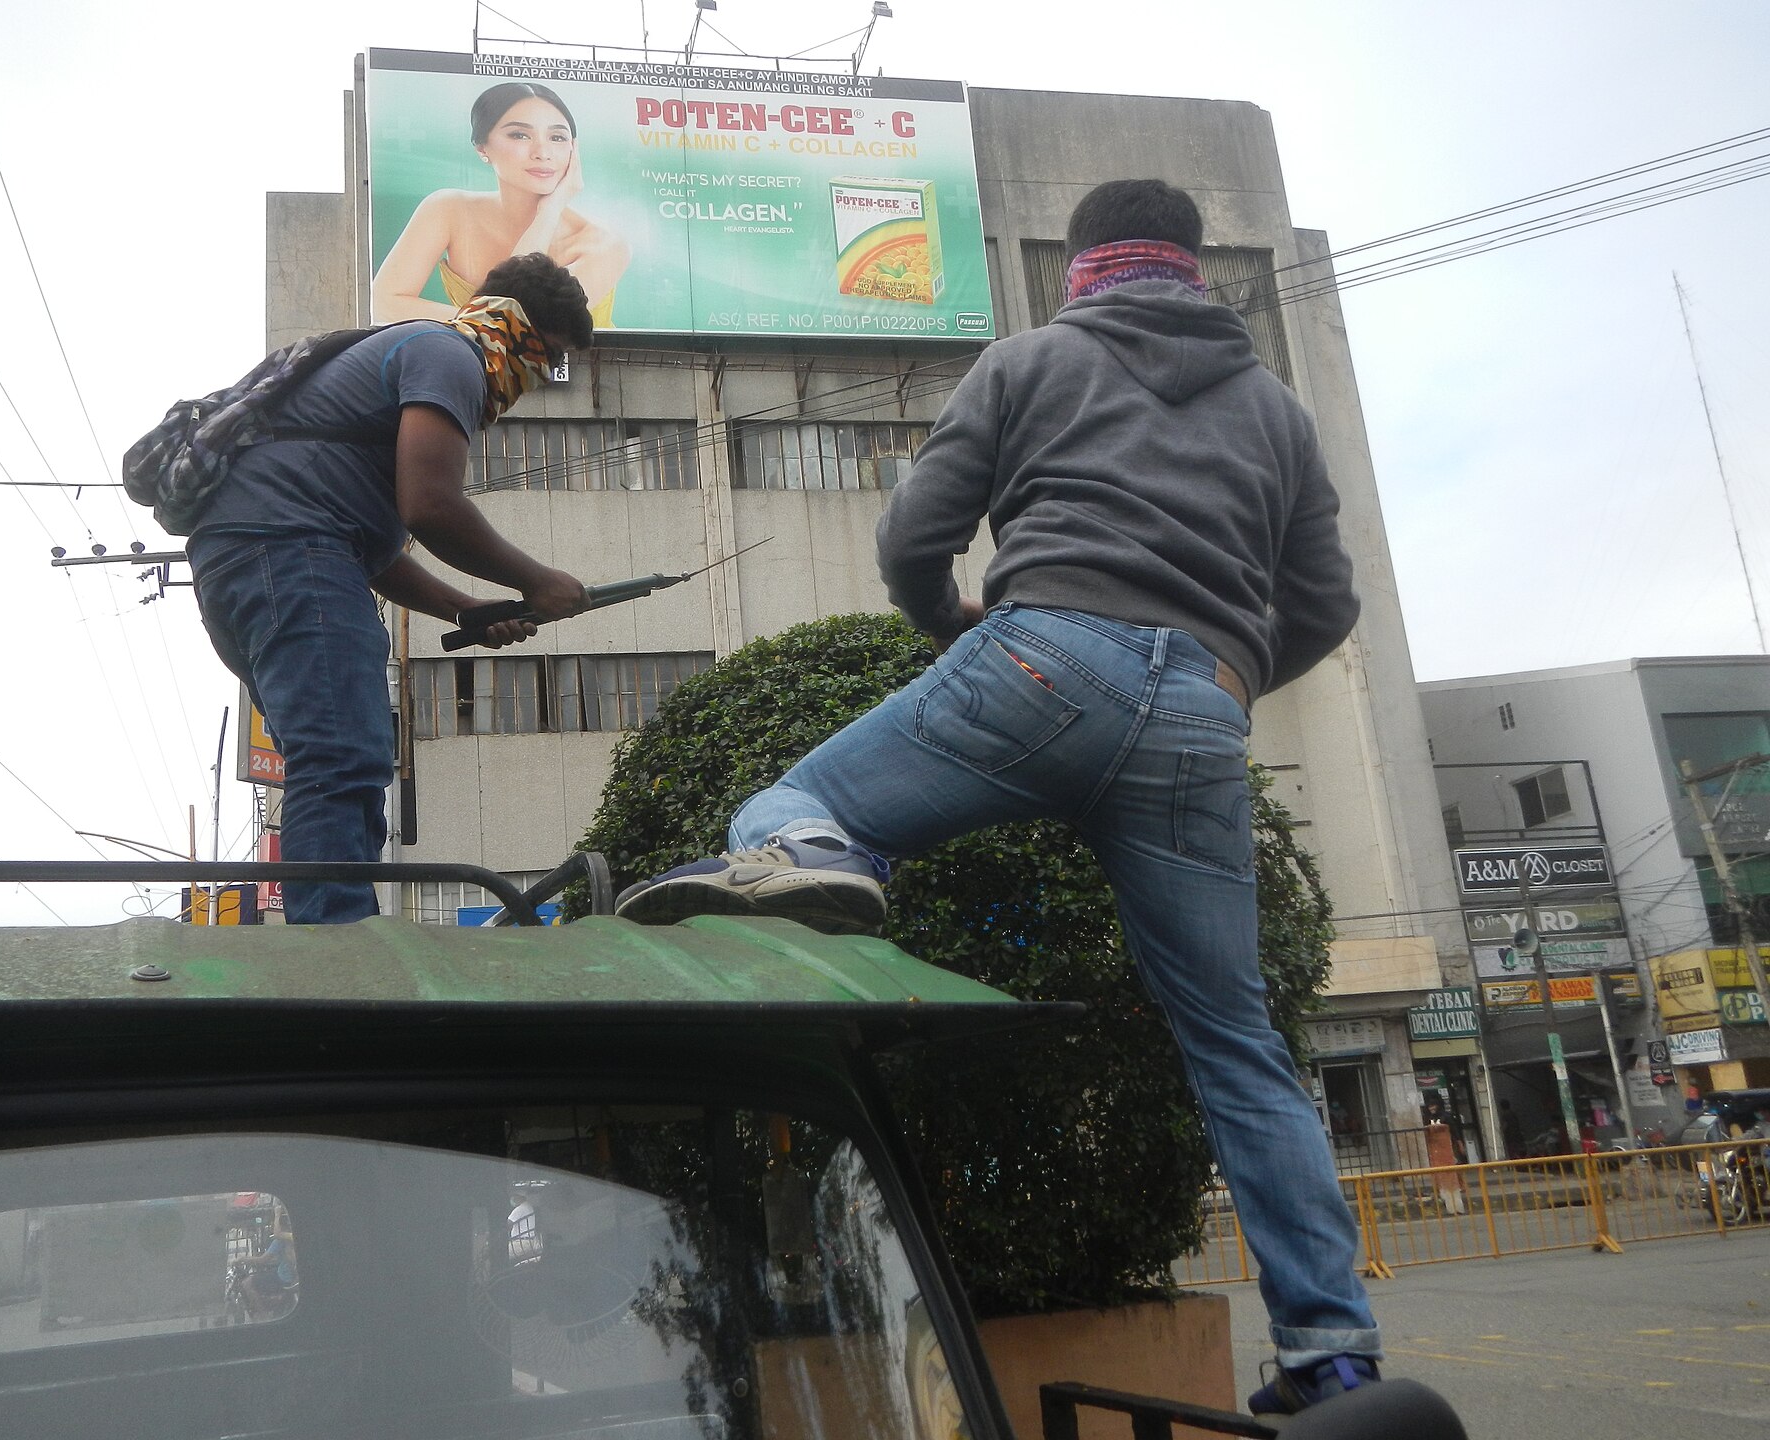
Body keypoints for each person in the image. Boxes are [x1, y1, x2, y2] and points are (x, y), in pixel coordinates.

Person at [615, 179, 1379, 1415]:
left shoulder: (1031, 361)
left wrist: (946, 627)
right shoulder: (1276, 411)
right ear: (1195, 267)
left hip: (1040, 658)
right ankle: (1332, 1353)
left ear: (1079, 264)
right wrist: (1228, 677)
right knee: (1238, 1041)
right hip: (1201, 716)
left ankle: (833, 861)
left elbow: (915, 535)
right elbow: (1329, 602)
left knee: (791, 808)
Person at [188, 252, 594, 925]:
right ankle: (339, 948)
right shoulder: (449, 354)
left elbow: (373, 552)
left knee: (332, 753)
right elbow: (430, 507)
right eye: (547, 356)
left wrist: (465, 608)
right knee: (341, 754)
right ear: (517, 325)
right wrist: (537, 580)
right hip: (289, 555)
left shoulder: (412, 356)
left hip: (253, 562)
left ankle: (337, 928)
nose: (537, 378)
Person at [372, 82, 630, 328]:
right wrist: (489, 321)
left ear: (574, 149)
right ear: (482, 147)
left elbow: (522, 322)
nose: (542, 152)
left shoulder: (604, 243)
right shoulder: (448, 210)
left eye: (557, 137)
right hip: (469, 359)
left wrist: (551, 210)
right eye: (520, 135)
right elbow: (383, 304)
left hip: (593, 362)